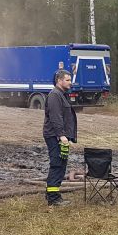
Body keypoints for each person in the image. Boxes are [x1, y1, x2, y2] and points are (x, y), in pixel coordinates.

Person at [43, 69, 77, 206]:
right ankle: (53, 198)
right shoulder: (55, 95)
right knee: (57, 165)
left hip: (59, 136)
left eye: (70, 80)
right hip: (55, 136)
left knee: (61, 164)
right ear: (59, 80)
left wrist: (67, 137)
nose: (70, 82)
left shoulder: (61, 95)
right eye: (67, 80)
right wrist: (61, 135)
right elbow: (56, 117)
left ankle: (51, 193)